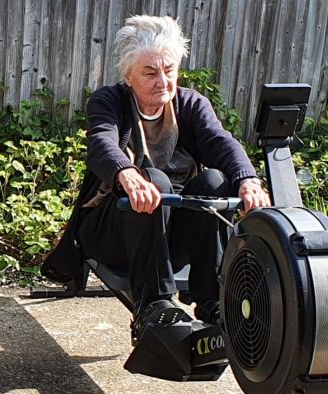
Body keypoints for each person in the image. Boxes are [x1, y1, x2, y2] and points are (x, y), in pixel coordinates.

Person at [42, 15, 270, 337]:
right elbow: (101, 143)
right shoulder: (109, 102)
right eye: (150, 73)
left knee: (215, 183)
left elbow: (219, 141)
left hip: (170, 236)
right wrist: (127, 174)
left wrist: (248, 180)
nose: (162, 82)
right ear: (129, 75)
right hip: (115, 230)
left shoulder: (190, 104)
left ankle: (212, 302)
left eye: (169, 70)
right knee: (154, 181)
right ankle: (154, 305)